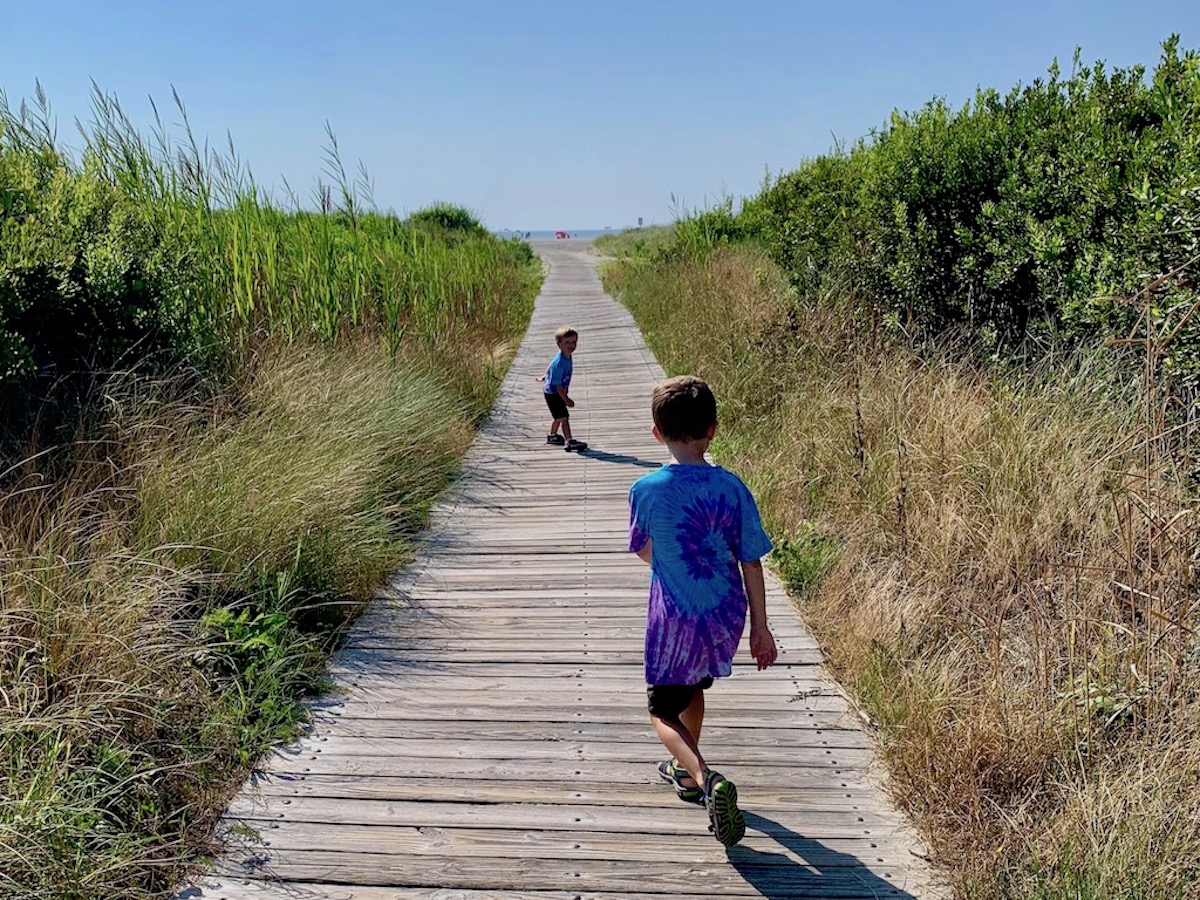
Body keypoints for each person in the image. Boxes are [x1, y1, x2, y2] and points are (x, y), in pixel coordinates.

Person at [627, 375, 778, 846]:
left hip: (674, 617)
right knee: (692, 686)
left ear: (656, 433)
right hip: (723, 614)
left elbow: (643, 549)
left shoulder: (646, 489)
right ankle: (687, 777)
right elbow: (750, 559)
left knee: (660, 711)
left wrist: (672, 563)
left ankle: (705, 775)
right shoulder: (731, 487)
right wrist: (761, 628)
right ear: (713, 429)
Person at [542, 326, 587, 452]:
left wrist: (545, 375)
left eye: (574, 342)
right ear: (559, 344)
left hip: (553, 391)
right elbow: (558, 387)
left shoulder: (565, 355)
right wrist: (567, 400)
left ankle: (552, 436)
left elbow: (550, 365)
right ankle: (569, 440)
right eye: (567, 342)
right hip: (554, 393)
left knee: (558, 417)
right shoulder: (560, 362)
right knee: (564, 417)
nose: (571, 345)